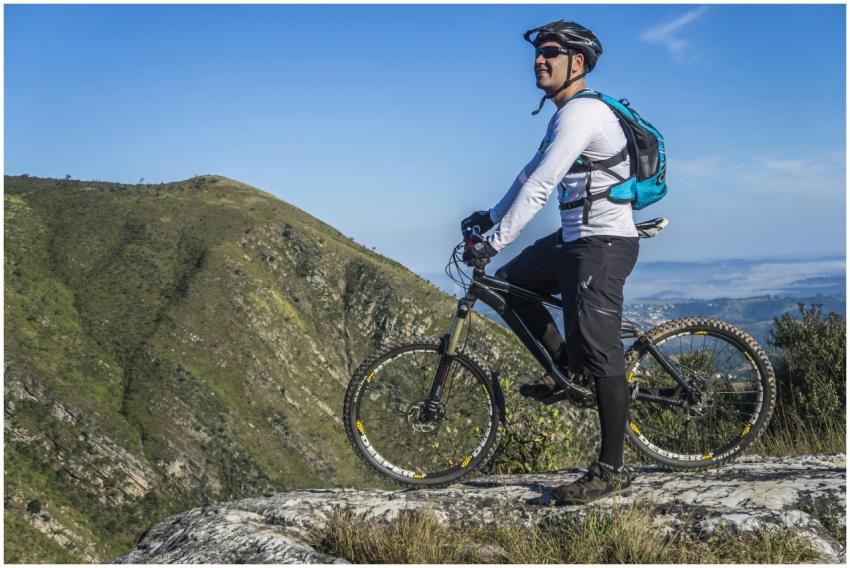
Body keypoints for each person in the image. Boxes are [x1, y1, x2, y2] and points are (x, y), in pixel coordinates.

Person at [461, 20, 639, 505]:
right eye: (538, 53)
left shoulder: (583, 113)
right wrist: (490, 215)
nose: (539, 60)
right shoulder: (563, 115)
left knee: (603, 353)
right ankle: (568, 369)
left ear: (576, 64)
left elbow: (542, 187)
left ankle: (611, 469)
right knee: (508, 287)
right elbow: (528, 175)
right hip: (575, 239)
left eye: (551, 53)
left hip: (603, 244)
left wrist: (493, 240)